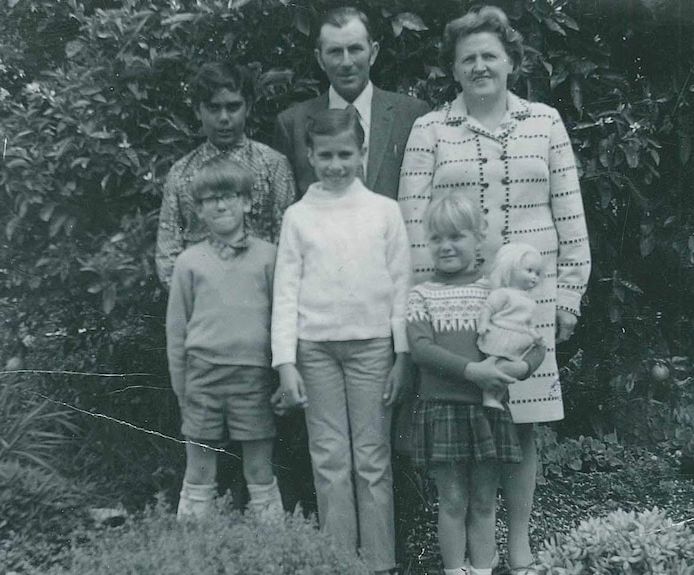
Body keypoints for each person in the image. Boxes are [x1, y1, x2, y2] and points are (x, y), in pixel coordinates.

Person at [398, 6, 591, 573]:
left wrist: (569, 294)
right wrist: (424, 299)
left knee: (523, 421)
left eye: (490, 55)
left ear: (511, 61)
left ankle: (520, 541)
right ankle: (473, 553)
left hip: (528, 301)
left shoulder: (546, 123)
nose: (480, 66)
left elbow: (570, 214)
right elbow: (413, 225)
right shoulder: (430, 129)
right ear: (454, 71)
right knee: (471, 418)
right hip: (455, 304)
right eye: (468, 59)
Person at [270, 108, 411, 574]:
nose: (334, 165)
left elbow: (400, 286)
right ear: (309, 156)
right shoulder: (298, 217)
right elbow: (285, 291)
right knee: (329, 458)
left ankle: (378, 563)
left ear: (362, 154)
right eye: (325, 155)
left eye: (344, 154)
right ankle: (337, 563)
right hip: (315, 350)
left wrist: (401, 355)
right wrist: (285, 363)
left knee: (372, 458)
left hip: (373, 348)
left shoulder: (384, 212)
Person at [406, 193, 543, 575]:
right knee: (451, 500)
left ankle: (482, 568)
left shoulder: (496, 293)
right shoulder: (422, 295)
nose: (446, 246)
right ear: (427, 242)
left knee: (484, 500)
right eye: (436, 238)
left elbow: (536, 346)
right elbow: (420, 349)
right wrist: (473, 372)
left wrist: (519, 369)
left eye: (456, 236)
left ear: (478, 238)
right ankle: (454, 569)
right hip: (443, 410)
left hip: (487, 410)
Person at [166, 159, 283, 522]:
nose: (220, 205)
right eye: (210, 199)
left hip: (254, 377)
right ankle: (193, 551)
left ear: (247, 201)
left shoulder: (269, 256)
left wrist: (282, 377)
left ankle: (276, 550)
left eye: (229, 195)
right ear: (198, 210)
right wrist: (181, 387)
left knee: (259, 471)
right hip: (203, 377)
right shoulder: (189, 262)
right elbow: (176, 330)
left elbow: (283, 322)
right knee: (200, 472)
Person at [156, 62, 295, 287]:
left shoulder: (273, 165)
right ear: (197, 110)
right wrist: (193, 297)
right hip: (202, 298)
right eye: (213, 108)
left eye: (233, 107)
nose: (223, 118)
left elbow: (287, 239)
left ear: (248, 107)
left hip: (260, 295)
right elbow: (167, 250)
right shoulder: (181, 173)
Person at [273, 6, 430, 200]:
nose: (347, 62)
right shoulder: (292, 124)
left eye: (355, 49)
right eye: (335, 51)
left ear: (373, 53)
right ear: (320, 59)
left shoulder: (411, 114)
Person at [477, 243, 546, 410]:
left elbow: (527, 322)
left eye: (537, 273)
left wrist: (534, 335)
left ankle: (495, 397)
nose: (534, 277)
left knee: (504, 373)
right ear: (510, 269)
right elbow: (489, 308)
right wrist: (484, 323)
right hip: (501, 334)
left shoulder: (530, 301)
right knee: (494, 365)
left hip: (518, 340)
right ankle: (488, 395)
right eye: (529, 271)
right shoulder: (504, 293)